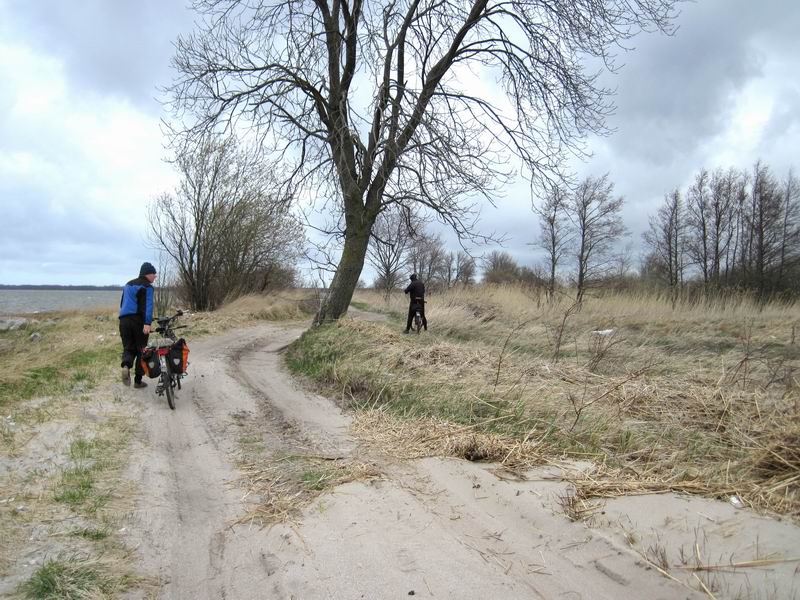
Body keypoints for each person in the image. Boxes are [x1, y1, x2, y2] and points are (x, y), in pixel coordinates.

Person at [119, 262, 157, 388]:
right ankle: (138, 381)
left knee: (129, 348)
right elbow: (148, 306)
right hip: (138, 321)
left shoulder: (128, 284)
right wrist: (147, 323)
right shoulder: (147, 287)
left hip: (123, 321)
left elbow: (122, 304)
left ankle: (126, 366)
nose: (155, 276)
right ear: (147, 274)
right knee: (142, 350)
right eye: (153, 274)